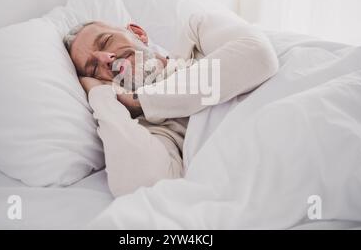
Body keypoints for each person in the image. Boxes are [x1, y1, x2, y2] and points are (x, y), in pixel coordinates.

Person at [63, 11, 279, 197]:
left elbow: (260, 56)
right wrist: (101, 96)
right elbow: (144, 186)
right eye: (92, 68)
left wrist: (143, 101)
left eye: (106, 41)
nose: (105, 58)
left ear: (138, 33)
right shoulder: (152, 129)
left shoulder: (195, 35)